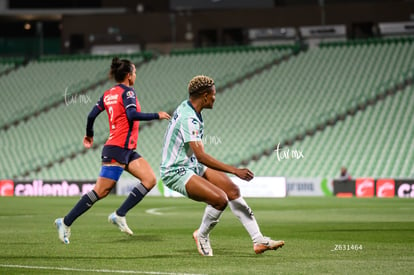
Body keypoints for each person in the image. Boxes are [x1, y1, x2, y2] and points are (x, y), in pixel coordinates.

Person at [160, 75, 284, 256]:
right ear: (204, 96)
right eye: (213, 94)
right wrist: (235, 170)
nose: (215, 98)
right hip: (175, 171)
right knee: (220, 200)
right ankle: (201, 235)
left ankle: (258, 240)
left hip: (190, 164)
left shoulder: (189, 107)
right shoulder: (189, 119)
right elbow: (201, 156)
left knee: (232, 190)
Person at [54, 57, 171, 244]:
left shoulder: (108, 94)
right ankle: (65, 222)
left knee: (149, 179)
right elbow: (132, 115)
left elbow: (91, 115)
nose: (135, 75)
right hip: (117, 149)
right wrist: (156, 115)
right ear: (128, 75)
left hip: (127, 149)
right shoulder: (128, 93)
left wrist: (89, 134)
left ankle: (119, 214)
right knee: (101, 191)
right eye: (134, 72)